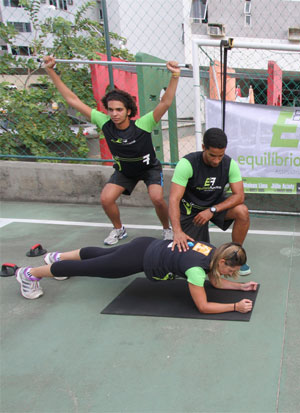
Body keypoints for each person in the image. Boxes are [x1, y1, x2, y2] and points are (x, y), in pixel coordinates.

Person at [43, 56, 179, 245]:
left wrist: (175, 76)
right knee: (106, 199)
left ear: (128, 111)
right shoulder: (104, 122)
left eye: (119, 110)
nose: (114, 113)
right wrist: (51, 70)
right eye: (111, 109)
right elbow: (71, 99)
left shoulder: (143, 124)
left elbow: (165, 103)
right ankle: (119, 229)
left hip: (149, 169)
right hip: (124, 171)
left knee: (157, 198)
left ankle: (167, 229)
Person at [14, 238, 256, 314]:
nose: (232, 275)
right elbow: (203, 306)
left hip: (145, 245)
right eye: (232, 271)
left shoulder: (211, 251)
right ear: (223, 261)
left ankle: (57, 257)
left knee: (102, 255)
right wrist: (234, 307)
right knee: (91, 267)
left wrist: (241, 287)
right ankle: (29, 274)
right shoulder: (195, 270)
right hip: (139, 259)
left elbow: (214, 279)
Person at [168, 127, 251, 275]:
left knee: (242, 211)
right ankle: (180, 234)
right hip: (191, 212)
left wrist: (212, 210)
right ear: (203, 148)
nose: (217, 160)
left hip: (213, 208)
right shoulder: (187, 163)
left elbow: (239, 196)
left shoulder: (229, 164)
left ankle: (235, 254)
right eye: (213, 155)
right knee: (190, 259)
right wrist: (177, 231)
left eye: (221, 155)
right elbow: (174, 199)